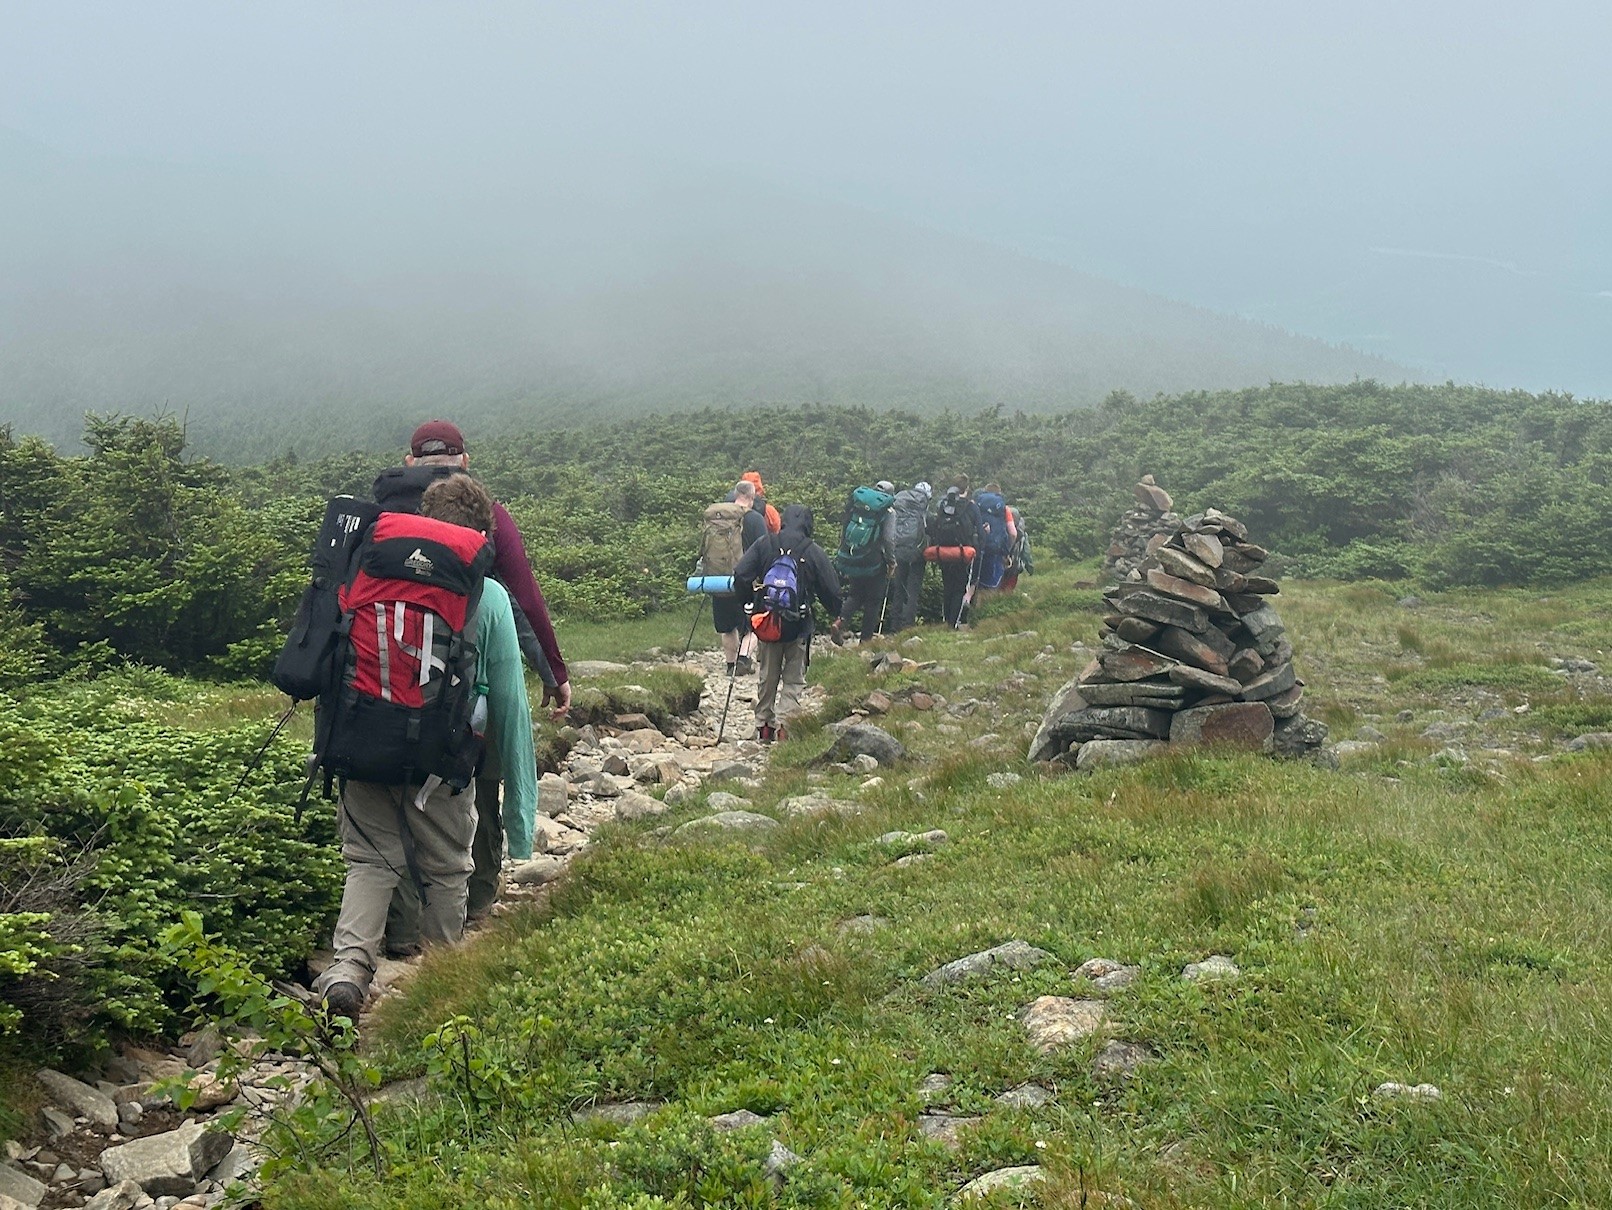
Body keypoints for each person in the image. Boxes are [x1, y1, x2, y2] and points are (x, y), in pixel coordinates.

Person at [315, 475, 536, 1019]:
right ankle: (440, 993)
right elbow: (508, 702)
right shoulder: (488, 596)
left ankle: (347, 972)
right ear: (482, 534)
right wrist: (518, 813)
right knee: (447, 873)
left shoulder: (371, 570)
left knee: (369, 862)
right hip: (441, 762)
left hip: (363, 743)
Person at [375, 420, 567, 942]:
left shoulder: (382, 522)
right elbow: (523, 595)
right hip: (462, 719)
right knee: (470, 806)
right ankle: (469, 913)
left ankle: (397, 931)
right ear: (466, 460)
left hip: (382, 703)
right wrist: (553, 670)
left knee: (390, 817)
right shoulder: (486, 514)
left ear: (408, 461)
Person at [732, 504, 841, 743]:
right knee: (793, 678)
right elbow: (831, 589)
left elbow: (740, 574)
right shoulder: (812, 550)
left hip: (767, 621)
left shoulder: (765, 544)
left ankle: (764, 725)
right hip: (798, 625)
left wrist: (748, 604)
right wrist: (836, 613)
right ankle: (784, 726)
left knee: (768, 676)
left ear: (782, 521)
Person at [710, 479, 768, 674]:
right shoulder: (755, 519)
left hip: (719, 579)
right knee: (754, 623)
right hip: (746, 581)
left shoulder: (719, 517)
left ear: (736, 495)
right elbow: (764, 550)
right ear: (752, 497)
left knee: (727, 627)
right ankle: (743, 659)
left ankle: (730, 665)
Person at [830, 480, 896, 645]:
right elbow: (888, 540)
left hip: (855, 557)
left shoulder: (859, 507)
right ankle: (865, 641)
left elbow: (845, 529)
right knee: (873, 600)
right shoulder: (888, 511)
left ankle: (839, 622)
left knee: (855, 595)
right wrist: (891, 562)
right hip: (875, 562)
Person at [929, 475, 981, 627]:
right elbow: (980, 532)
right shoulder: (971, 507)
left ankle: (946, 621)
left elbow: (934, 526)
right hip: (963, 553)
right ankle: (954, 623)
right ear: (967, 488)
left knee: (947, 587)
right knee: (959, 588)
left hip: (943, 552)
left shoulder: (942, 505)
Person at [886, 480, 932, 632]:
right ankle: (908, 626)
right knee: (912, 589)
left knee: (899, 588)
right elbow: (927, 527)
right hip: (917, 553)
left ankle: (894, 626)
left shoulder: (903, 499)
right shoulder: (923, 503)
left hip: (898, 548)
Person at [973, 482, 1019, 592]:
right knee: (990, 587)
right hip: (995, 552)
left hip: (975, 550)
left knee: (974, 583)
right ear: (999, 494)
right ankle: (987, 608)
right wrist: (1006, 551)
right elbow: (1013, 533)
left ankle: (971, 606)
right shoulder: (1004, 509)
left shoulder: (974, 505)